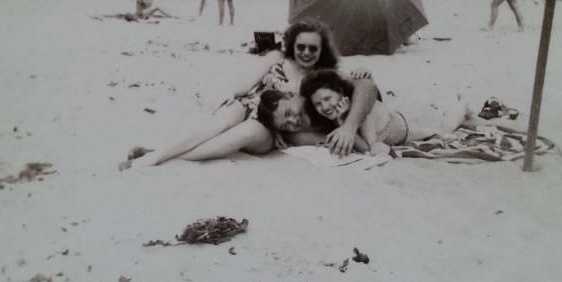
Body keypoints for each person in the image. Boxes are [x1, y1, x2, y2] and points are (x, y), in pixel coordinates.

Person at [119, 19, 377, 167]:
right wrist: (230, 96)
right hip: (251, 104)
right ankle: (158, 154)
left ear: (322, 50)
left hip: (273, 126)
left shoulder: (325, 74)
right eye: (301, 47)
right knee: (219, 123)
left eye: (313, 48)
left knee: (244, 133)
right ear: (292, 45)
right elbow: (244, 85)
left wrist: (363, 72)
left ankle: (156, 158)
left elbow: (362, 86)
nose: (306, 53)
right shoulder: (276, 58)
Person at [287, 69, 474, 154]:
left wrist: (342, 121)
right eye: (318, 104)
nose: (325, 107)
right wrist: (339, 119)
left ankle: (462, 104)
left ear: (341, 93)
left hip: (415, 121)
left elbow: (368, 148)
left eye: (327, 99)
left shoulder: (362, 110)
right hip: (402, 117)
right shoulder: (343, 114)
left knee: (447, 127)